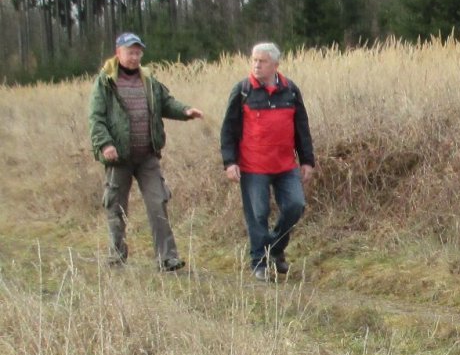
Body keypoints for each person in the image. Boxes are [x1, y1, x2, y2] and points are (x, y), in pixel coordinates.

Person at [89, 32, 204, 271]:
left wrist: (185, 111)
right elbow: (96, 119)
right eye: (130, 52)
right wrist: (105, 144)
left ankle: (167, 258)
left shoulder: (149, 79)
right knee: (116, 207)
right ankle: (116, 257)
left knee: (157, 202)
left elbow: (166, 103)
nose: (134, 56)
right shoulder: (105, 81)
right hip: (118, 157)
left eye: (138, 52)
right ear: (118, 52)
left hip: (147, 156)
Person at [220, 42, 315, 281]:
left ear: (275, 65)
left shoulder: (290, 90)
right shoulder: (243, 90)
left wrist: (307, 161)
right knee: (258, 214)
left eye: (262, 61)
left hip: (285, 166)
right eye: (254, 60)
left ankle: (274, 249)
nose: (256, 65)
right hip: (253, 167)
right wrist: (230, 162)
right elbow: (228, 129)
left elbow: (301, 128)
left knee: (295, 206)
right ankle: (259, 263)